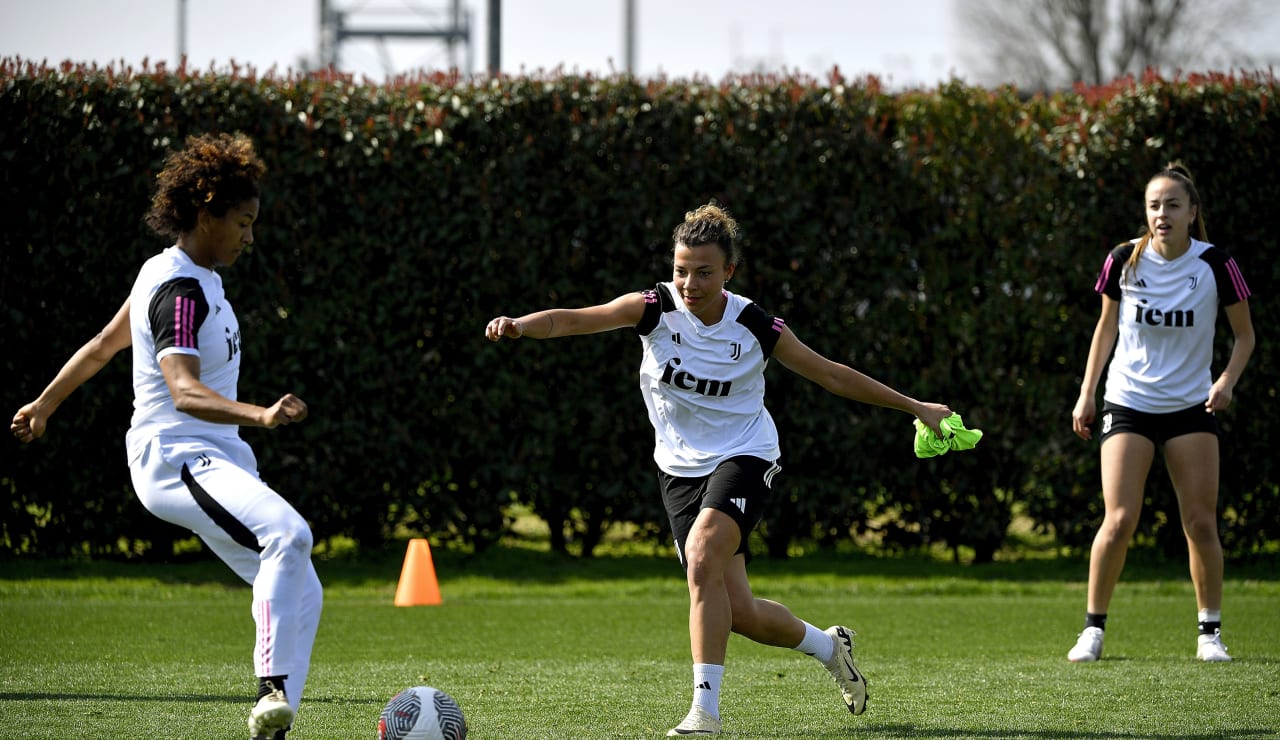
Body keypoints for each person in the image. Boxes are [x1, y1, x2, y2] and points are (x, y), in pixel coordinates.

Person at [485, 203, 953, 736]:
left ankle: (704, 713)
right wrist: (520, 325)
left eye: (704, 271)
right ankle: (829, 646)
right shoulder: (653, 308)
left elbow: (833, 376)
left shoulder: (754, 324)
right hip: (678, 470)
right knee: (742, 612)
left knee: (703, 554)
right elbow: (574, 319)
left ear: (729, 271)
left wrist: (916, 407)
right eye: (682, 269)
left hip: (746, 454)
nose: (689, 282)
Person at [11, 132, 323, 739]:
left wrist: (44, 405)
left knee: (299, 581)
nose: (249, 236)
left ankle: (274, 726)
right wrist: (260, 414)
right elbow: (182, 390)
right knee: (289, 534)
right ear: (205, 214)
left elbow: (103, 347)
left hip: (215, 456)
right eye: (243, 221)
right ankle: (270, 690)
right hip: (177, 456)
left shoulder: (176, 274)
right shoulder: (179, 290)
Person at [1068, 162, 1255, 663]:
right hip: (1128, 403)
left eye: (1173, 205)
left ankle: (1209, 634)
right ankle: (1093, 631)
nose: (1162, 214)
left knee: (1199, 522)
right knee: (1119, 518)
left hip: (1191, 408)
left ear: (1193, 212)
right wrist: (1087, 392)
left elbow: (1246, 335)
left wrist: (1226, 382)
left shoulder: (1215, 264)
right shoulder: (1124, 259)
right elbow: (1105, 330)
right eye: (1154, 205)